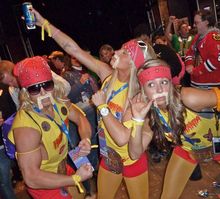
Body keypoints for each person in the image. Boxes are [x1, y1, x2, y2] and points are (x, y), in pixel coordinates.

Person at [32, 8, 157, 199]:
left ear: (133, 63)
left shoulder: (137, 96)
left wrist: (103, 108)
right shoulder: (106, 74)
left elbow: (123, 138)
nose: (116, 52)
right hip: (108, 157)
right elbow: (73, 49)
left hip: (131, 161)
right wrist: (44, 24)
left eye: (124, 53)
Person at [128, 58, 220, 199]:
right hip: (186, 152)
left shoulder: (188, 98)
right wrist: (137, 120)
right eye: (151, 84)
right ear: (143, 89)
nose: (159, 89)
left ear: (170, 83)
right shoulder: (149, 113)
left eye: (164, 82)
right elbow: (134, 154)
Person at [8, 56, 93, 199]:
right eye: (34, 88)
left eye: (47, 85)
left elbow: (80, 118)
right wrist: (75, 179)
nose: (43, 93)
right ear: (25, 92)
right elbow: (31, 177)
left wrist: (86, 139)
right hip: (44, 184)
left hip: (63, 169)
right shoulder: (26, 127)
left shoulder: (58, 102)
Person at [62, 55, 99, 198]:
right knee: (78, 150)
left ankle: (93, 177)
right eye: (74, 57)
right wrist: (81, 84)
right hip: (79, 113)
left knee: (92, 144)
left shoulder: (87, 70)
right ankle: (88, 188)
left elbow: (94, 90)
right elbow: (68, 95)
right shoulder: (67, 74)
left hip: (91, 111)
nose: (77, 59)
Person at [0, 59, 71, 109]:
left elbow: (67, 87)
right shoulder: (12, 90)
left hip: (63, 110)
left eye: (11, 80)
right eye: (8, 84)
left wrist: (50, 92)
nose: (11, 85)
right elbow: (20, 109)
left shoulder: (36, 70)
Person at [185, 10, 220, 89]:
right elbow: (189, 53)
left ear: (206, 22)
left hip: (213, 85)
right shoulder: (197, 37)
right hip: (198, 82)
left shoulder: (215, 37)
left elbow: (217, 60)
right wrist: (189, 64)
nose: (194, 25)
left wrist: (196, 71)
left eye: (196, 22)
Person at [0, 83, 17, 199]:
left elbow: (13, 110)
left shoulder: (5, 89)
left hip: (11, 140)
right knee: (4, 181)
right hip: (0, 148)